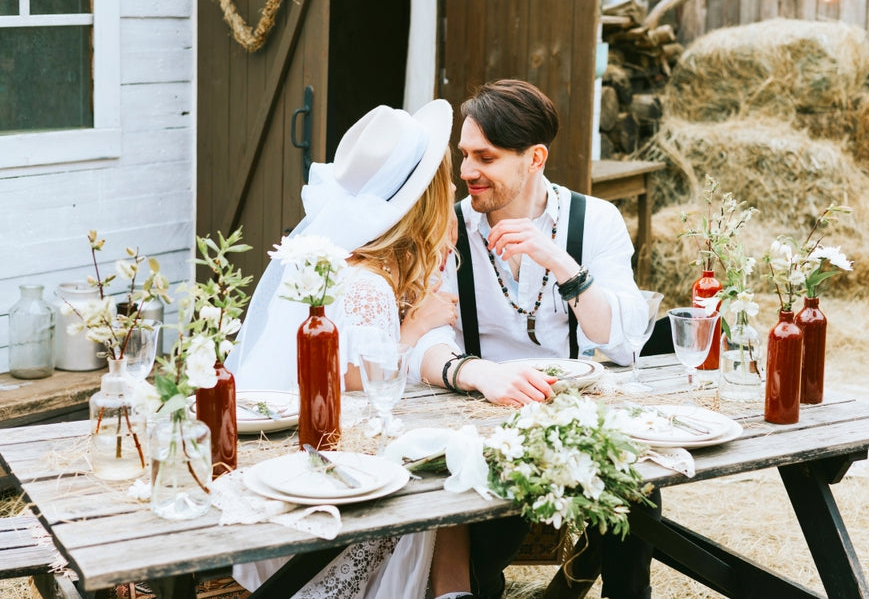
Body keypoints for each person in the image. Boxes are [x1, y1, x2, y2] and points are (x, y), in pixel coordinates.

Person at [409, 79, 659, 599]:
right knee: (476, 526)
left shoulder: (596, 220)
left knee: (639, 496)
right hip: (474, 419)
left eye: (486, 157)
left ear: (535, 158)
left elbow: (624, 340)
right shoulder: (448, 227)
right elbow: (421, 338)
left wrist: (562, 264)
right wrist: (476, 374)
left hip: (570, 414)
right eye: (464, 154)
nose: (466, 172)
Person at [227, 99, 470, 599]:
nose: (454, 191)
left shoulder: (344, 264)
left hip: (292, 457)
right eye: (444, 184)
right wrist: (413, 328)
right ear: (424, 201)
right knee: (441, 479)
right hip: (319, 487)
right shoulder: (369, 284)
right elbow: (359, 381)